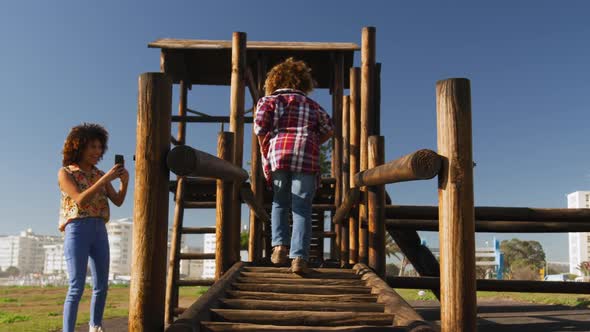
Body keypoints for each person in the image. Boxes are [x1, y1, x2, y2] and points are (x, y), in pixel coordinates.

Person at [254, 58, 334, 274]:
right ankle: (299, 257)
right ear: (303, 82)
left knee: (280, 202)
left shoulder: (269, 101)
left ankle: (279, 246)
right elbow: (329, 127)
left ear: (274, 81)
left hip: (279, 154)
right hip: (306, 156)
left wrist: (267, 145)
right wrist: (313, 141)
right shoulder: (313, 105)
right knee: (302, 208)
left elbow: (260, 127)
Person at [57, 123, 129, 332]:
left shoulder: (99, 173)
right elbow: (80, 200)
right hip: (77, 230)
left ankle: (94, 326)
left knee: (101, 286)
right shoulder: (65, 173)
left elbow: (117, 201)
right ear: (79, 147)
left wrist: (124, 183)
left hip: (99, 229)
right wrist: (105, 178)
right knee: (76, 287)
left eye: (100, 147)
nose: (98, 152)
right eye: (93, 147)